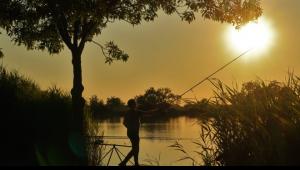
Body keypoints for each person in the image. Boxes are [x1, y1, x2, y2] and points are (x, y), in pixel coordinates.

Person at [119, 99, 160, 166]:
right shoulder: (136, 112)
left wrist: (129, 128)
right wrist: (157, 110)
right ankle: (124, 162)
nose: (136, 104)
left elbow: (124, 123)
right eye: (135, 103)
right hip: (134, 133)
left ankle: (134, 163)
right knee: (135, 149)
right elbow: (148, 112)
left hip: (130, 133)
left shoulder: (128, 112)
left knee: (136, 148)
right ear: (132, 105)